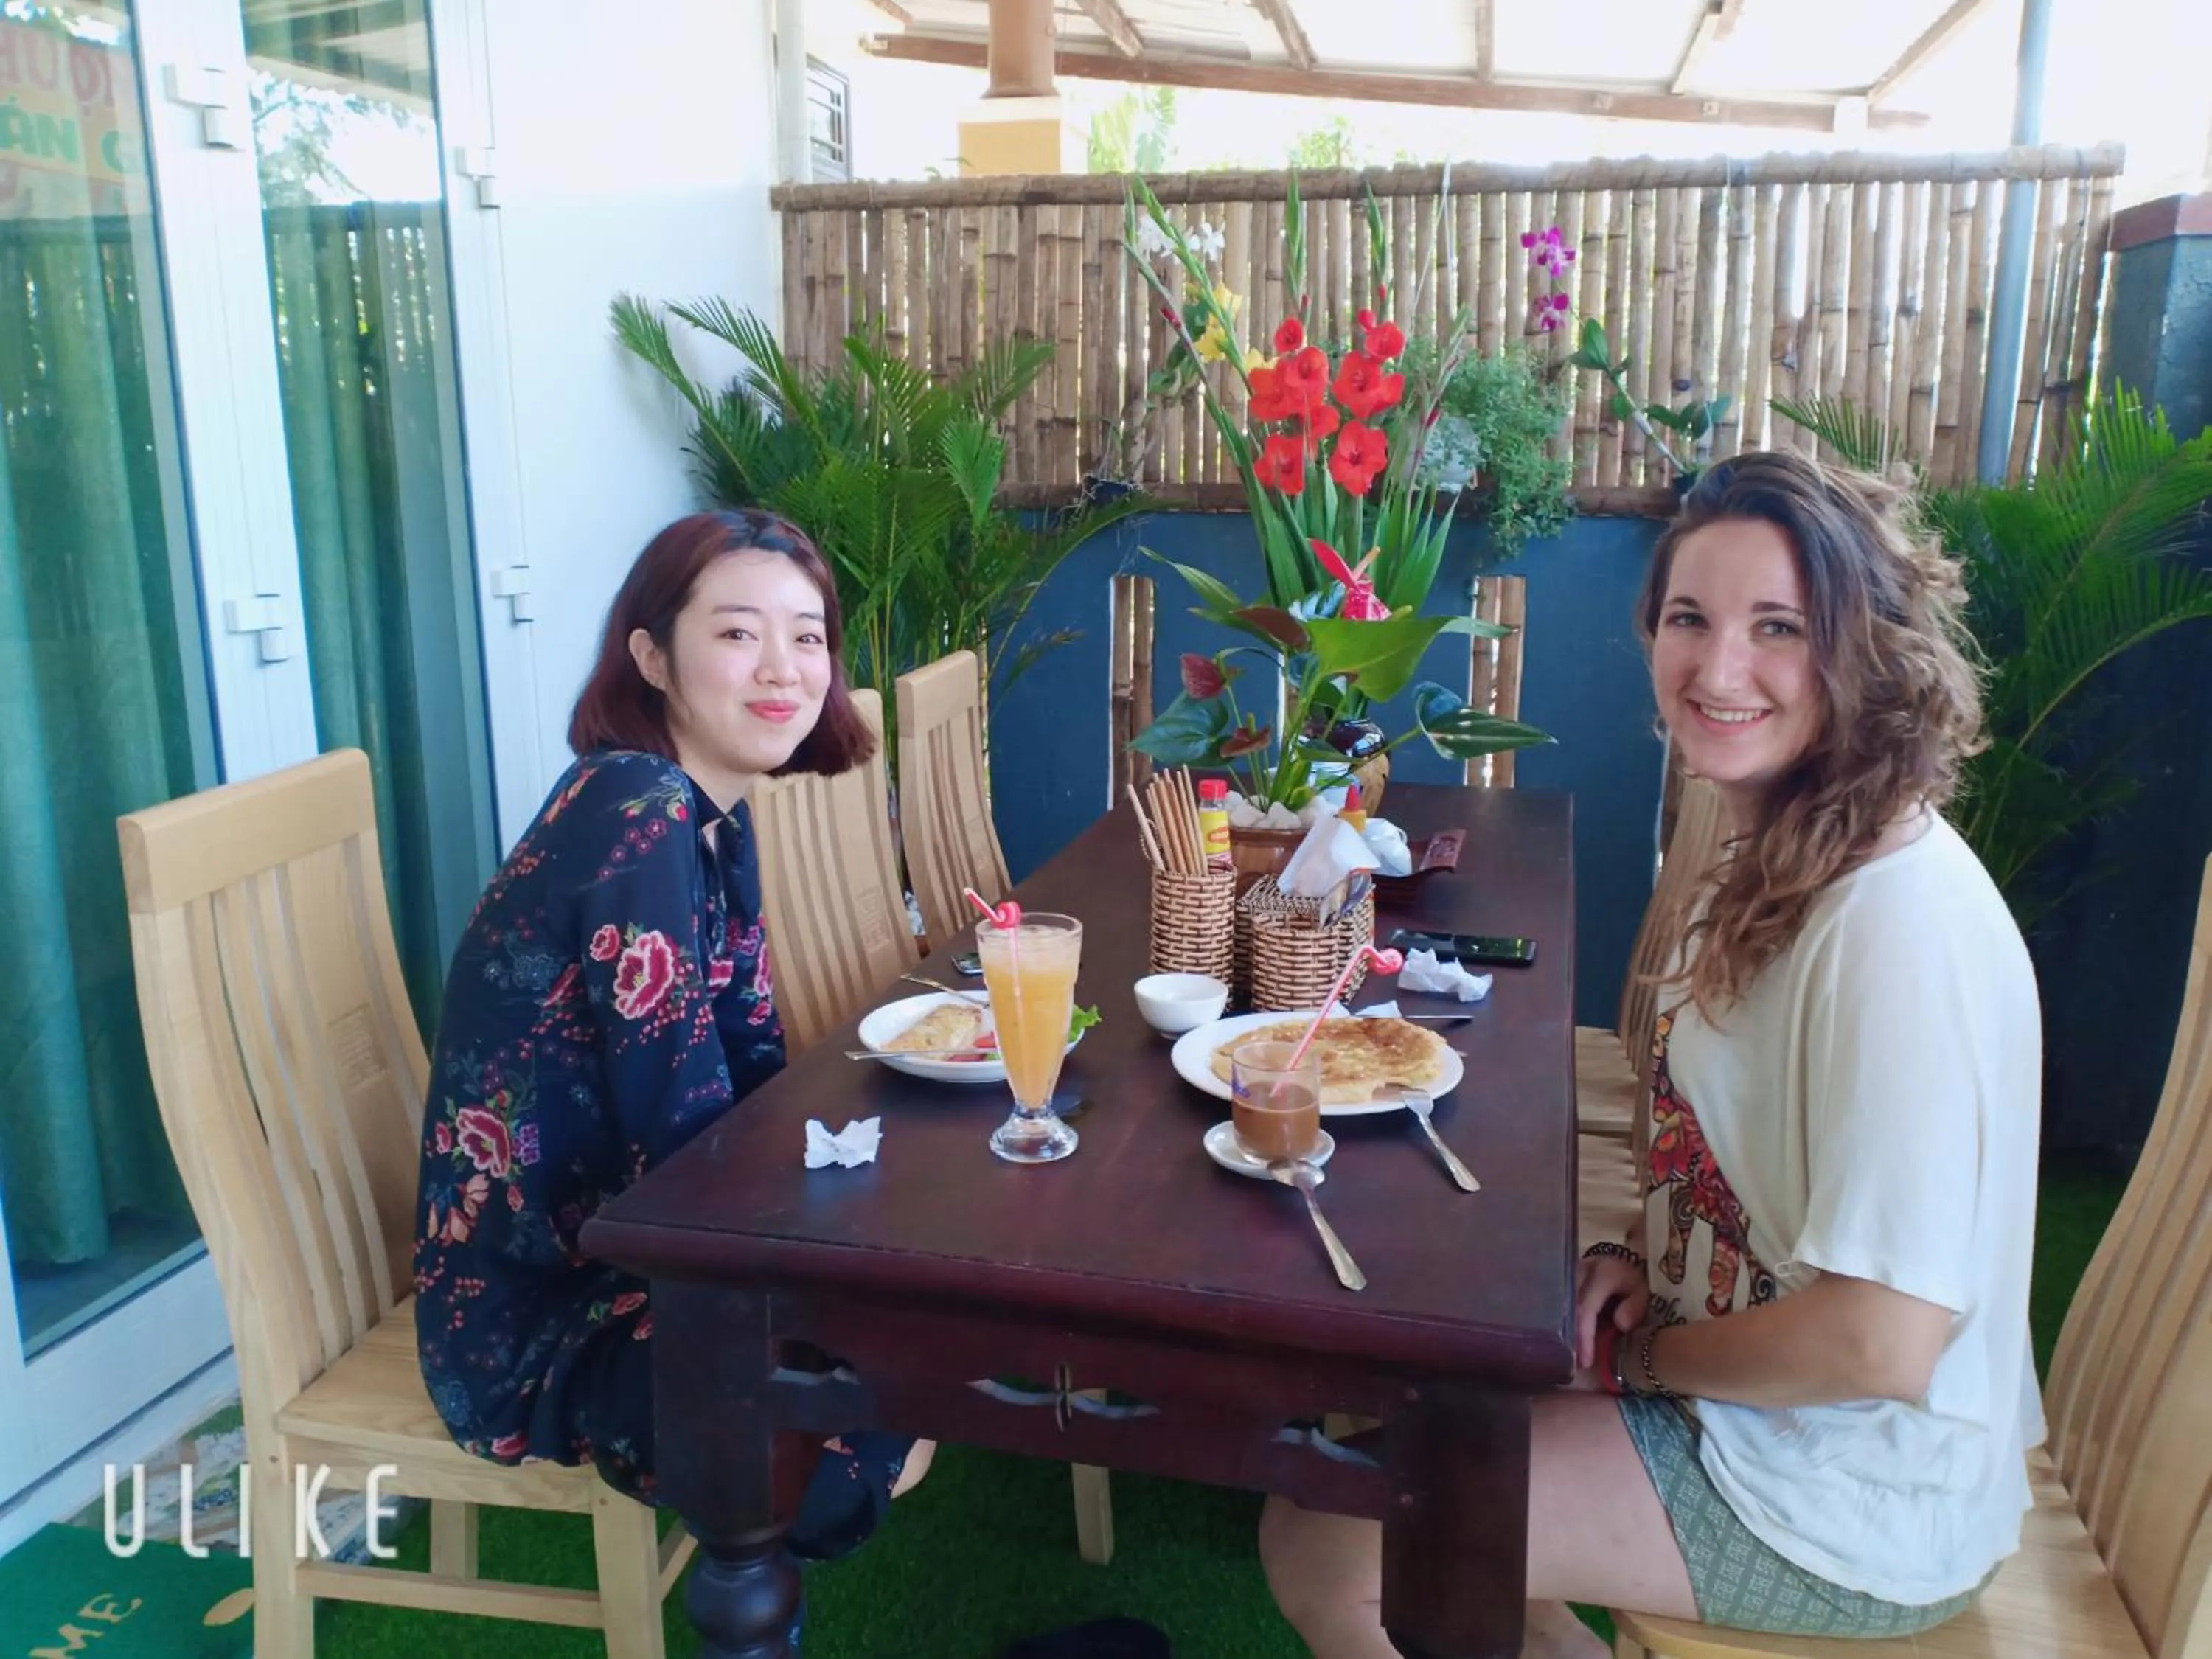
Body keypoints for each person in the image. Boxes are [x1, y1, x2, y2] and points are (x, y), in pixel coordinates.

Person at [1259, 452, 2043, 1656]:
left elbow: (1881, 1339)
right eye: (1690, 617)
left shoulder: (1899, 922)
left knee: (1330, 1523)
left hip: (1847, 1492)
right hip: (1758, 1411)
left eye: (1778, 627)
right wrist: (1648, 1263)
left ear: (1866, 648)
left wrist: (1644, 1364)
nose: (1718, 669)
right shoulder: (1772, 838)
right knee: (1421, 1440)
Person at [413, 509, 931, 1595]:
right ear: (651, 656)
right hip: (545, 1316)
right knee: (849, 1443)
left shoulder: (710, 820)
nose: (784, 669)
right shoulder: (635, 811)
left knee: (925, 1339)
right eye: (738, 634)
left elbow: (746, 1085)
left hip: (635, 1251)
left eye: (808, 636)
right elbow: (686, 1132)